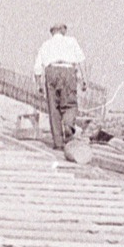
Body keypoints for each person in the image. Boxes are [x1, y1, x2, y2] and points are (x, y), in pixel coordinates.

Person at [34, 23, 88, 151]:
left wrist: (39, 84)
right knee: (70, 104)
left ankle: (58, 142)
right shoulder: (71, 41)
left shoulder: (45, 44)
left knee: (54, 108)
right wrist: (84, 79)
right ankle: (68, 125)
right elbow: (81, 60)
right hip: (67, 71)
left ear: (52, 32)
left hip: (51, 71)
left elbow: (37, 67)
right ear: (63, 31)